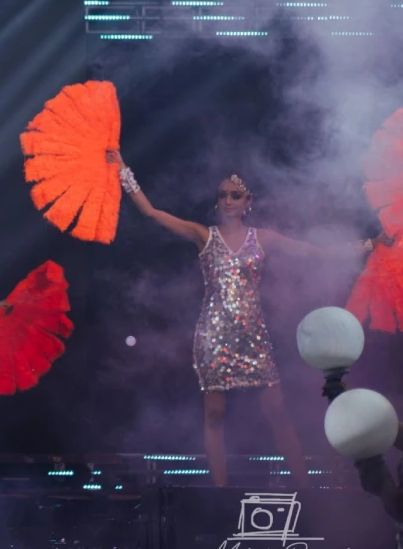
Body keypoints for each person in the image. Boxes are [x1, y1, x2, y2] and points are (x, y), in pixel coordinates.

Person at [116, 153, 382, 487]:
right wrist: (123, 169)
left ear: (248, 202)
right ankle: (221, 492)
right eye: (223, 195)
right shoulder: (203, 235)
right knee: (214, 415)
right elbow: (151, 212)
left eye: (235, 195)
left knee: (277, 412)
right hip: (214, 337)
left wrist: (368, 244)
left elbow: (314, 251)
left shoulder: (262, 238)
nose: (228, 200)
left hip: (253, 337)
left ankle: (305, 491)